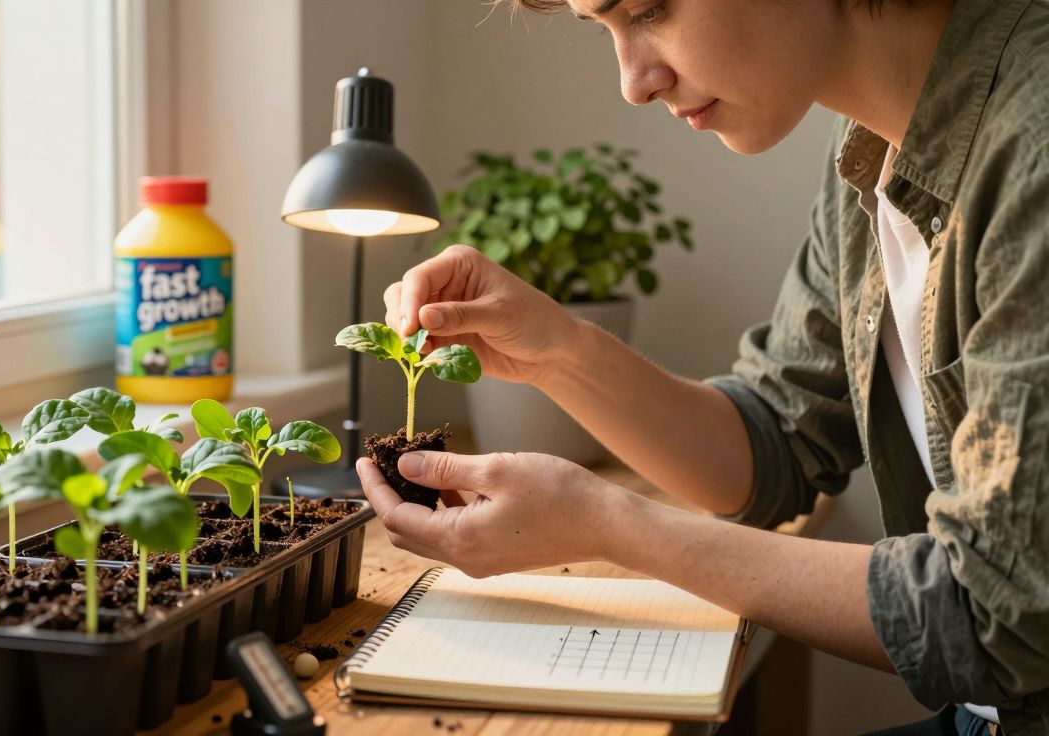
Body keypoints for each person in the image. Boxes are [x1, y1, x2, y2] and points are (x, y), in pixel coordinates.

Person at [353, 0, 1049, 732]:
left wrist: (612, 525)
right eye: (604, 28)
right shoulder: (872, 152)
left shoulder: (1031, 141)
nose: (633, 82)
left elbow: (999, 615)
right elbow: (768, 451)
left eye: (649, 9)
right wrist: (557, 349)